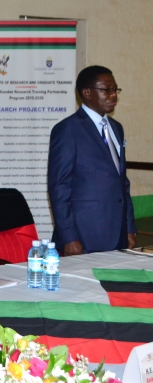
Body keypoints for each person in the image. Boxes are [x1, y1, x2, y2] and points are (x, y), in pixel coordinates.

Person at [48, 65, 136, 256]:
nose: (113, 95)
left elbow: (122, 182)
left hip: (117, 233)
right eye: (107, 90)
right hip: (85, 236)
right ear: (87, 92)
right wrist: (69, 238)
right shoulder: (67, 130)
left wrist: (129, 227)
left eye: (115, 90)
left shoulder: (116, 128)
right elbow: (59, 188)